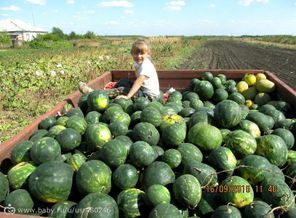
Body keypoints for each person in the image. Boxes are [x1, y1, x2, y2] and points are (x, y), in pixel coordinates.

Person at [79, 38, 160, 101]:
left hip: (149, 97)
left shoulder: (146, 66)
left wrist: (128, 96)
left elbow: (139, 81)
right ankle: (110, 93)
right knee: (124, 82)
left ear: (148, 54)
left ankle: (93, 93)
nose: (139, 56)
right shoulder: (138, 63)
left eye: (142, 53)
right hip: (143, 90)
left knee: (121, 90)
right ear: (132, 53)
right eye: (136, 53)